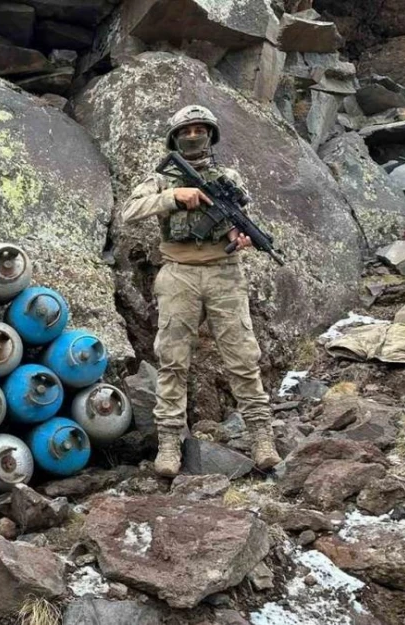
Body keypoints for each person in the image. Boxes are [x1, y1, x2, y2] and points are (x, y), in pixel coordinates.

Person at [120, 104, 282, 478]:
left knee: (243, 357)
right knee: (173, 359)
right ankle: (169, 444)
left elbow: (237, 215)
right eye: (186, 130)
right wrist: (175, 196)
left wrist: (237, 237)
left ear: (211, 135)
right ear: (175, 138)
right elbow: (130, 210)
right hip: (178, 273)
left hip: (224, 272)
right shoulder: (163, 178)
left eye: (200, 129)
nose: (194, 135)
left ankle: (262, 437)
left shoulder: (228, 177)